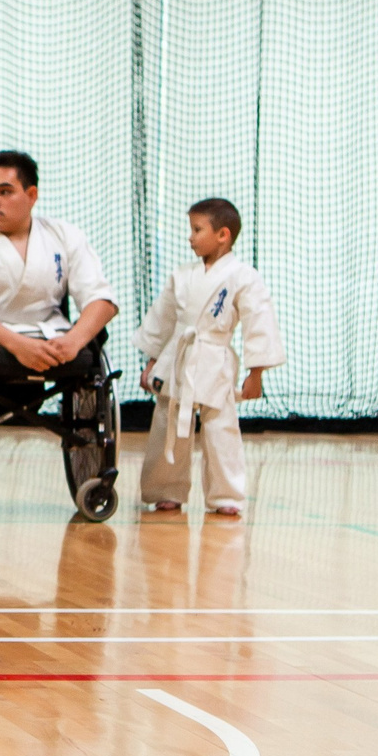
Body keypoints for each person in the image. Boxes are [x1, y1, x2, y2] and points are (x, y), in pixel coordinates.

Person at [0, 150, 117, 405]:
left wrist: (73, 342)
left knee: (90, 348)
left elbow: (101, 300)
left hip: (52, 339)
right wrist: (17, 345)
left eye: (4, 192)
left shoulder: (64, 235)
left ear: (32, 195)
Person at [135, 197, 284, 517]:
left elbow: (259, 321)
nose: (190, 237)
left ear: (223, 235)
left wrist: (256, 373)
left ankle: (226, 494)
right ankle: (165, 490)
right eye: (190, 229)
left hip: (215, 356)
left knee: (220, 429)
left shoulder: (243, 276)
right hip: (178, 356)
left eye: (197, 229)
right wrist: (151, 362)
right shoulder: (181, 275)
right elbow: (162, 320)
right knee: (167, 423)